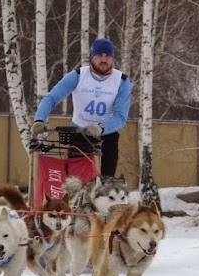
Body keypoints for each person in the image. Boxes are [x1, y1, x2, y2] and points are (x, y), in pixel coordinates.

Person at [32, 38, 132, 176]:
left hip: (106, 137)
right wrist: (39, 119)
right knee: (76, 182)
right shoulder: (78, 76)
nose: (104, 59)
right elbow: (51, 98)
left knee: (105, 184)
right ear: (92, 57)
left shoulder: (122, 81)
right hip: (79, 135)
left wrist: (100, 127)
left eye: (108, 55)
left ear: (113, 58)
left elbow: (121, 117)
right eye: (99, 55)